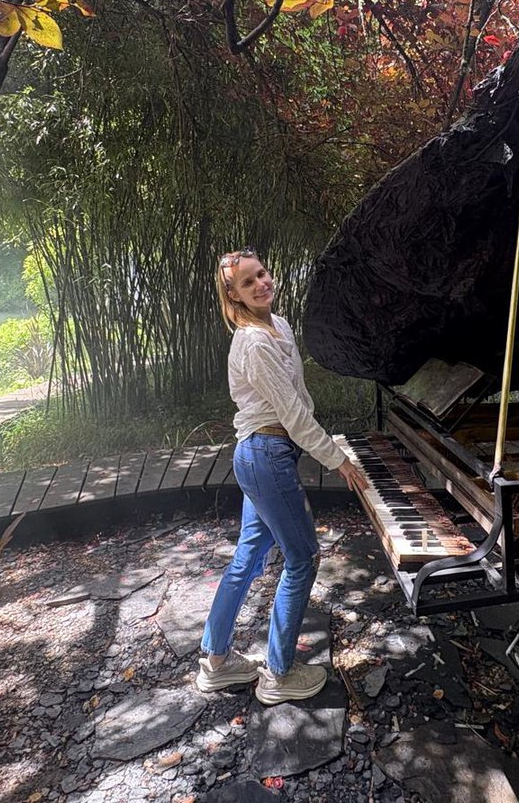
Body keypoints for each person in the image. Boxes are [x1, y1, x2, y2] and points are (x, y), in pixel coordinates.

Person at [196, 247, 370, 704]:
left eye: (262, 274)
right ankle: (278, 674)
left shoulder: (279, 326)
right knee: (302, 558)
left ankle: (216, 661)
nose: (261, 284)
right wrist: (337, 458)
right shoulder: (254, 343)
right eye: (248, 282)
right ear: (233, 296)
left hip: (266, 456)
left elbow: (299, 399)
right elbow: (291, 414)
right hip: (265, 456)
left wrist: (321, 444)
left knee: (248, 556)